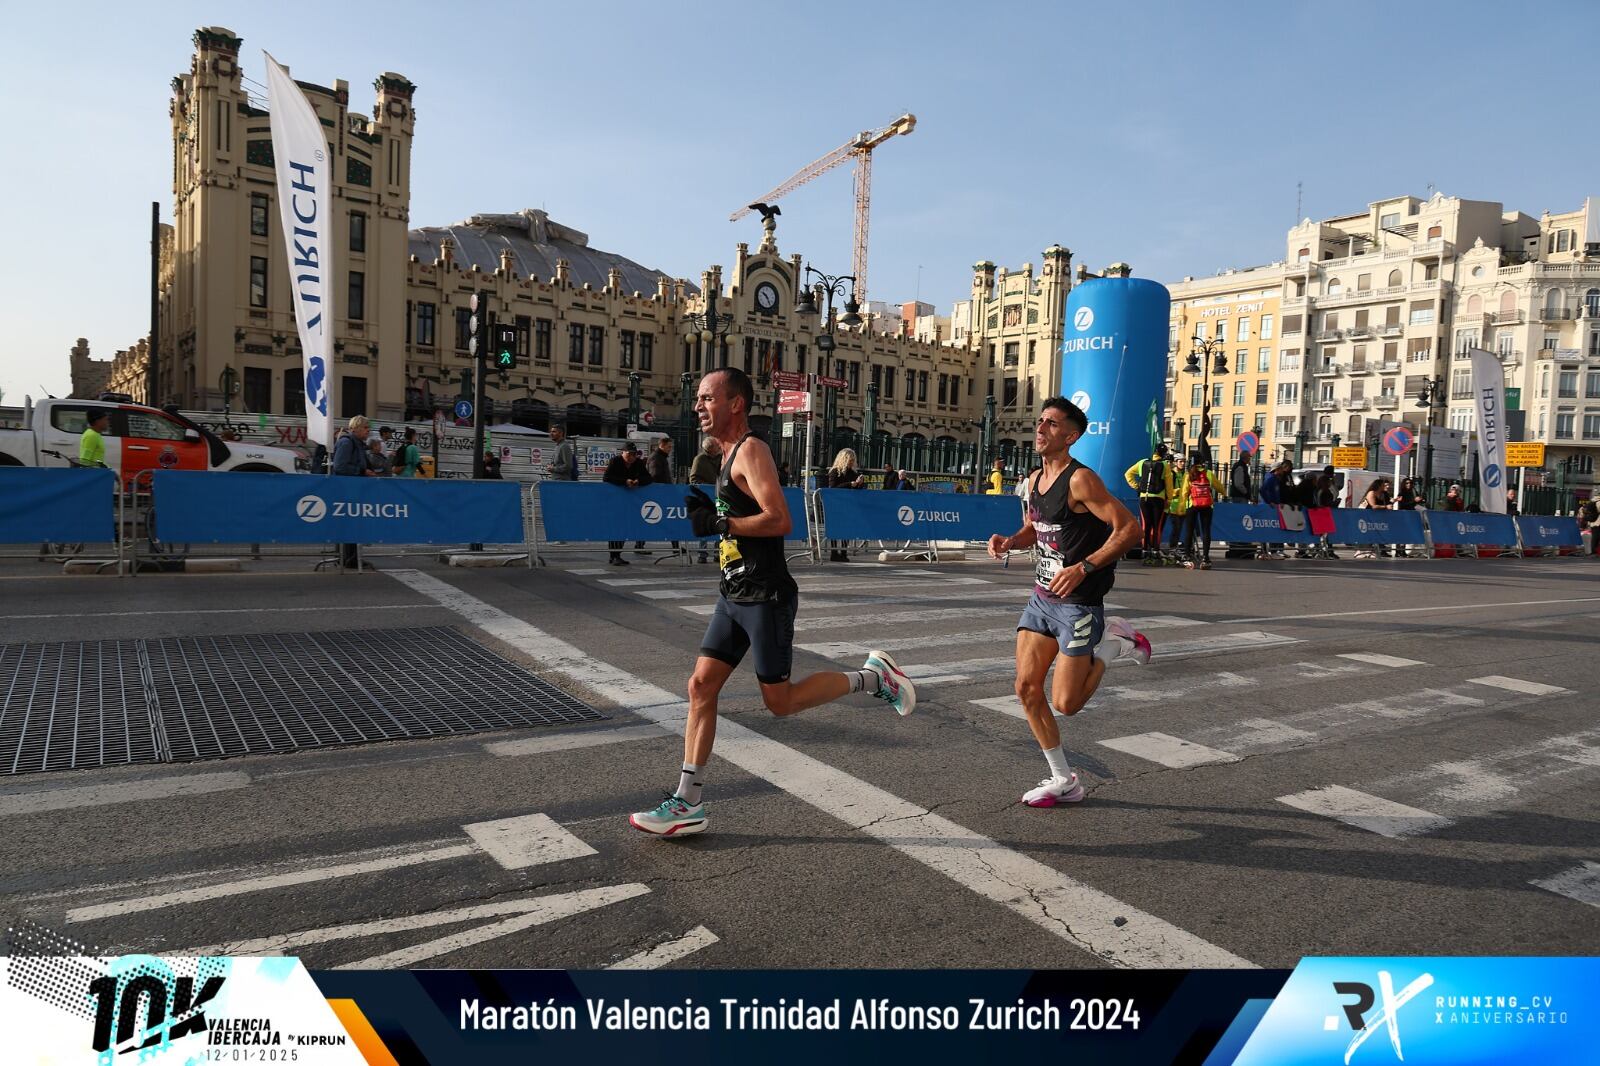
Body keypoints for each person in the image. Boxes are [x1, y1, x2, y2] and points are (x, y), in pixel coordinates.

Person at [629, 368, 916, 837]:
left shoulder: (752, 450)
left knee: (779, 702)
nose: (698, 406)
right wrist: (715, 514)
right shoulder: (724, 457)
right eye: (698, 398)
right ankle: (688, 801)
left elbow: (780, 519)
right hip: (734, 593)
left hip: (765, 596)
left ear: (735, 403)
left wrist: (722, 525)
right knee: (701, 687)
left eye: (707, 398)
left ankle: (872, 677)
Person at [987, 398, 1149, 808]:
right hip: (1041, 601)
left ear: (1071, 436)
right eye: (1040, 421)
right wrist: (1011, 541)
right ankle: (1064, 779)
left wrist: (1085, 567)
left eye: (1052, 424)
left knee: (1066, 704)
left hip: (1079, 605)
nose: (1040, 428)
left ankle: (1115, 643)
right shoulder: (1035, 478)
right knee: (1025, 688)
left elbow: (1129, 528)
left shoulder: (1081, 481)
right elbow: (1034, 527)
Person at [331, 415, 375, 569]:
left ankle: (353, 557)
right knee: (350, 524)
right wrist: (362, 471)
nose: (368, 431)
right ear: (355, 428)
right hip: (346, 491)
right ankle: (349, 558)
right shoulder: (347, 443)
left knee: (354, 525)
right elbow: (340, 467)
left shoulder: (358, 444)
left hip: (354, 490)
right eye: (365, 428)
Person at [603, 441, 651, 565]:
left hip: (630, 501)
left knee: (624, 527)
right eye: (629, 454)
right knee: (615, 527)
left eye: (634, 455)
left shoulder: (638, 464)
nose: (631, 458)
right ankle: (613, 555)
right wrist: (624, 481)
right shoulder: (615, 461)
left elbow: (649, 478)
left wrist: (638, 481)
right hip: (615, 500)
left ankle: (617, 554)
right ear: (623, 452)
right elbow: (607, 478)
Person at [1124, 445, 1173, 565]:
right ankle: (1156, 551)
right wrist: (1169, 499)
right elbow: (1169, 485)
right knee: (1157, 526)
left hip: (1144, 497)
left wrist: (1137, 487)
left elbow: (1128, 474)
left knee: (1146, 525)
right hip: (1158, 498)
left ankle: (1144, 550)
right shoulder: (1165, 465)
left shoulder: (1142, 463)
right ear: (1163, 454)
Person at [825, 448, 866, 562]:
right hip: (836, 504)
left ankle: (843, 552)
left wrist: (859, 483)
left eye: (853, 460)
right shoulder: (835, 471)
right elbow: (833, 488)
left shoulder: (853, 473)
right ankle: (834, 552)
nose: (851, 462)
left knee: (846, 529)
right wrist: (849, 484)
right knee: (835, 528)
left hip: (849, 504)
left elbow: (857, 489)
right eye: (849, 460)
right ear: (844, 459)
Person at [1181, 459, 1221, 569]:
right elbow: (1219, 486)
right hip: (1207, 506)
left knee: (1189, 531)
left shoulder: (1188, 474)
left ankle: (1187, 556)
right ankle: (1206, 558)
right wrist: (1224, 493)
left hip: (1192, 505)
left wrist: (1181, 506)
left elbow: (1184, 492)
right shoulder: (1208, 473)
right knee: (1206, 531)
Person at [689, 437, 722, 564]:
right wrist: (706, 487)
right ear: (709, 449)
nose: (719, 447)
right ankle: (702, 553)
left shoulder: (721, 457)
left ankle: (718, 552)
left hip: (720, 497)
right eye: (716, 446)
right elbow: (693, 479)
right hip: (705, 498)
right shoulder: (700, 460)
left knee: (720, 522)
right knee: (704, 523)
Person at [646, 436, 679, 555]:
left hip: (662, 494)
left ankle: (676, 546)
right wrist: (666, 487)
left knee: (668, 520)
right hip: (660, 494)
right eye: (669, 447)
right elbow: (655, 476)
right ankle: (675, 546)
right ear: (662, 445)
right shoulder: (656, 458)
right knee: (668, 520)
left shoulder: (661, 457)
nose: (670, 449)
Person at [1257, 460, 1292, 559]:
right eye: (1280, 468)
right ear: (1276, 469)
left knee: (1272, 529)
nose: (1282, 470)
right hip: (1268, 507)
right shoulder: (1271, 478)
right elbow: (1262, 490)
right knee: (1270, 529)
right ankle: (1270, 551)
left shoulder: (1275, 479)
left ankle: (1269, 551)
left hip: (1273, 506)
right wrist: (1269, 501)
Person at [1355, 477, 1394, 559]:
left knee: (1373, 532)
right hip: (1365, 514)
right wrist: (1386, 507)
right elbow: (1374, 506)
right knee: (1365, 532)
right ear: (1378, 486)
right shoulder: (1371, 493)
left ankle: (1370, 550)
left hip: (1374, 517)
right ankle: (1361, 551)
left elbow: (1385, 503)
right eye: (1383, 485)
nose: (1385, 487)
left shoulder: (1383, 494)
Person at [1162, 454, 1190, 561]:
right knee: (1176, 528)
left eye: (1184, 461)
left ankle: (1183, 549)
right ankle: (1172, 548)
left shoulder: (1186, 474)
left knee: (1183, 529)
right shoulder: (1171, 474)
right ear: (1176, 462)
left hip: (1184, 506)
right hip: (1174, 506)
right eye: (1180, 461)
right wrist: (1179, 490)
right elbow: (1168, 490)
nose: (1183, 463)